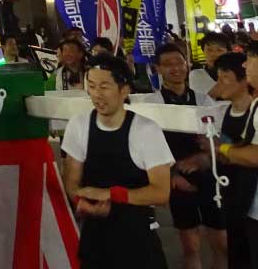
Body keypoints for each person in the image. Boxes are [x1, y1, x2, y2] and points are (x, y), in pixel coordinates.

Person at [62, 53, 173, 268]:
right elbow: (71, 182)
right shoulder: (78, 125)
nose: (97, 94)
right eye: (92, 86)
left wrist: (111, 195)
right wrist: (81, 202)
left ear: (124, 90)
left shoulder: (146, 130)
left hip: (137, 239)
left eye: (104, 87)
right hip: (95, 239)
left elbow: (161, 193)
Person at [141, 44, 226, 269]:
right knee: (190, 246)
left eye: (179, 62)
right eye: (167, 64)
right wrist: (172, 175)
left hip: (209, 175)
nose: (175, 68)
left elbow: (216, 139)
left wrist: (205, 158)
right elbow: (149, 147)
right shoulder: (152, 104)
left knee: (221, 243)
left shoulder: (203, 100)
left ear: (187, 64)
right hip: (177, 179)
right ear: (158, 68)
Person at [214, 52, 254, 267]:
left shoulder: (255, 113)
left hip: (252, 202)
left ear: (245, 79)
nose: (219, 84)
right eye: (218, 78)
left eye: (225, 78)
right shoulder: (221, 113)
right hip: (232, 199)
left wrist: (221, 149)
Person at [190, 32, 230, 99]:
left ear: (228, 52)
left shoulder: (236, 74)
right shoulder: (196, 74)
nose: (213, 54)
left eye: (219, 50)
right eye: (209, 50)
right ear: (203, 51)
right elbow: (200, 99)